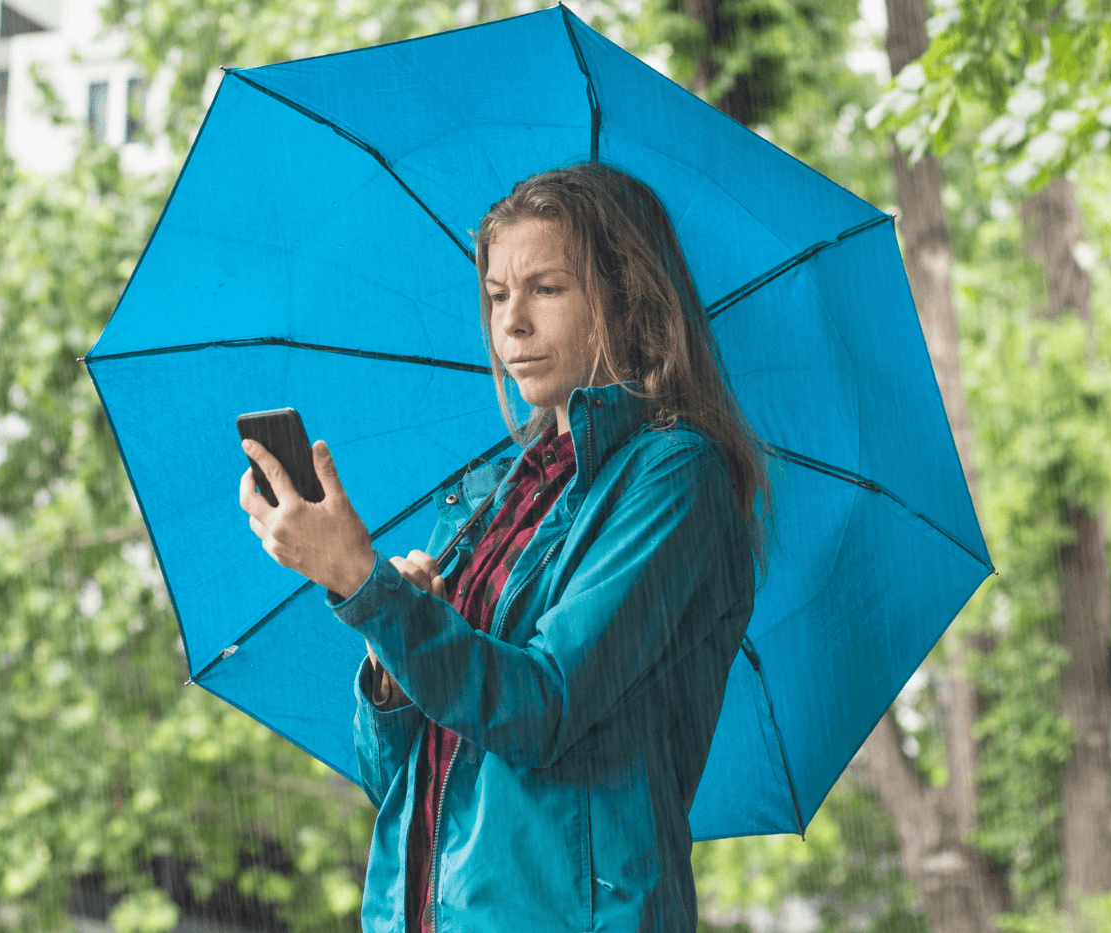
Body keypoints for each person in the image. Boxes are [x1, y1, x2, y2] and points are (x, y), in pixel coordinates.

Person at [237, 162, 769, 933]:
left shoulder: (674, 475)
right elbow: (400, 777)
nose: (511, 323)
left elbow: (541, 708)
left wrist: (359, 580)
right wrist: (392, 659)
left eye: (546, 289)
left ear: (625, 299)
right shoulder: (489, 495)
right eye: (496, 295)